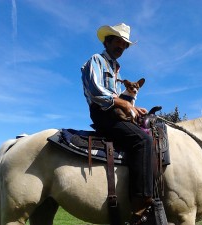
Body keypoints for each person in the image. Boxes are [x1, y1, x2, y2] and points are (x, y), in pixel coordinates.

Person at [81, 23, 154, 224]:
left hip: (115, 112)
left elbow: (117, 97)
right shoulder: (96, 60)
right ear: (108, 41)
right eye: (117, 42)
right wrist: (122, 102)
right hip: (103, 114)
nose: (120, 47)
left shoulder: (116, 70)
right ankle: (140, 206)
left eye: (124, 45)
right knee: (143, 141)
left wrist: (132, 106)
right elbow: (95, 90)